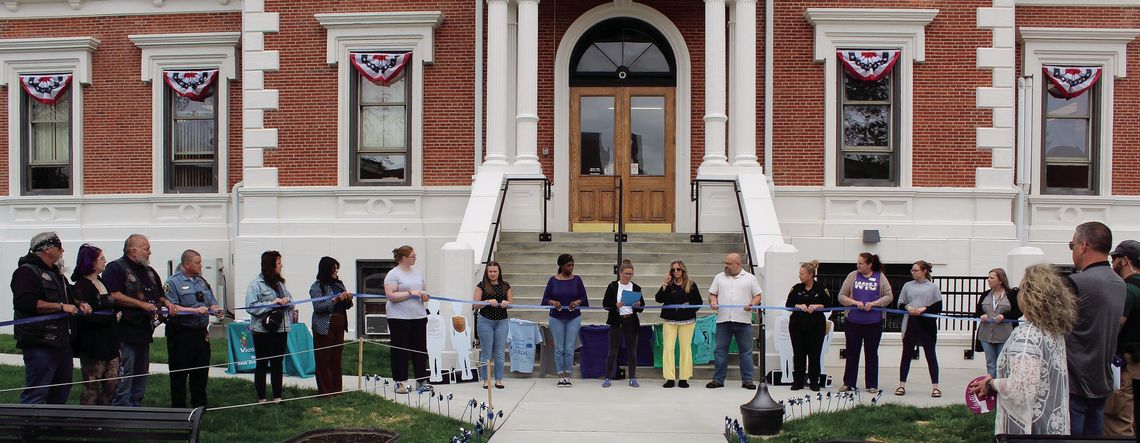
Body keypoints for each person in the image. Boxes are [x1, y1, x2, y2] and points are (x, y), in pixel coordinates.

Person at [970, 264, 1077, 435]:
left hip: (1027, 427)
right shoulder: (1052, 331)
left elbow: (1021, 388)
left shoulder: (1027, 335)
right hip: (1049, 425)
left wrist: (991, 384)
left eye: (1020, 290)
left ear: (1030, 296)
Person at [11, 232, 89, 404]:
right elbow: (26, 303)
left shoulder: (57, 274)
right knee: (37, 391)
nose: (62, 250)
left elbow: (70, 297)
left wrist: (80, 303)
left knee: (61, 390)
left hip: (62, 342)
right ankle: (30, 428)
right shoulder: (26, 272)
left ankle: (53, 427)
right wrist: (61, 307)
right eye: (59, 246)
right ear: (46, 249)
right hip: (40, 342)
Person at [1065, 221, 1127, 436]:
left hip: (1074, 380)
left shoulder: (1076, 282)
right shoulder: (1120, 284)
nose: (1073, 251)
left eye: (1072, 245)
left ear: (1084, 245)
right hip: (1102, 378)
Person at [105, 233, 165, 407]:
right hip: (125, 330)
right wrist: (141, 304)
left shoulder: (149, 272)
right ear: (133, 250)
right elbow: (114, 295)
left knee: (141, 372)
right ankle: (120, 408)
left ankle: (136, 405)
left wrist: (168, 303)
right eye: (146, 249)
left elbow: (160, 295)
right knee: (125, 371)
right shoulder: (115, 268)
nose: (149, 252)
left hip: (144, 331)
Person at [164, 249, 222, 408]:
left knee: (201, 372)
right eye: (197, 263)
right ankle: (179, 409)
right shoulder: (173, 283)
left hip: (200, 334)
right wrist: (194, 311)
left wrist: (215, 308)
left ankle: (199, 407)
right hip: (181, 334)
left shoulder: (202, 281)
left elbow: (211, 301)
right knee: (179, 373)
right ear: (186, 264)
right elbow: (172, 307)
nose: (200, 265)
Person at [837, 252, 893, 394]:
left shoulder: (880, 277)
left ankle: (872, 384)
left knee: (871, 354)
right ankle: (848, 383)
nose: (858, 266)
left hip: (874, 323)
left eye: (861, 263)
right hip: (853, 322)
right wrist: (854, 302)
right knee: (852, 353)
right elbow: (841, 296)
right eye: (858, 263)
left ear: (869, 265)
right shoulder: (852, 276)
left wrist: (875, 303)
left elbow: (889, 296)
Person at [71, 244, 119, 405]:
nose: (105, 261)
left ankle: (104, 415)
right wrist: (111, 318)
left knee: (112, 383)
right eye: (101, 258)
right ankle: (88, 419)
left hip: (110, 340)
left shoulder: (103, 282)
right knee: (92, 384)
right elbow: (86, 316)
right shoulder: (81, 286)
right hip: (93, 343)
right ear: (91, 262)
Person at [706, 252, 762, 390]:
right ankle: (718, 380)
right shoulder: (719, 277)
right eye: (725, 263)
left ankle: (748, 380)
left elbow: (758, 295)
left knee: (746, 352)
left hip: (743, 320)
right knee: (720, 351)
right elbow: (713, 294)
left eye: (729, 264)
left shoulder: (750, 278)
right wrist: (713, 302)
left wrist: (752, 305)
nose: (726, 266)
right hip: (723, 320)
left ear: (738, 264)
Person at [246, 250, 294, 403]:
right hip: (262, 331)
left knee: (277, 363)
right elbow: (250, 307)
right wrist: (271, 304)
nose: (282, 266)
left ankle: (277, 397)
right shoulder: (255, 284)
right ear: (271, 265)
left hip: (280, 329)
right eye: (279, 263)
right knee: (262, 363)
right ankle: (261, 398)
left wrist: (287, 301)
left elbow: (291, 300)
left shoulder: (280, 283)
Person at [384, 245, 431, 394]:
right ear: (404, 258)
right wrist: (410, 293)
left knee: (420, 349)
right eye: (412, 256)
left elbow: (423, 289)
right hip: (399, 318)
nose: (415, 258)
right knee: (400, 350)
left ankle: (421, 380)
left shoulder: (417, 272)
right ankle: (400, 382)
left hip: (418, 316)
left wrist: (423, 295)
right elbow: (390, 295)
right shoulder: (393, 274)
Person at [1106, 240, 1140, 436]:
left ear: (1125, 260)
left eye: (1114, 259)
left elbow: (1116, 326)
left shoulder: (1127, 289)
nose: (1112, 264)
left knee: (1118, 423)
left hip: (1126, 364)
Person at [895, 260, 943, 398]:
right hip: (911, 322)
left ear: (924, 271)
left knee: (931, 355)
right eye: (912, 270)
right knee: (906, 355)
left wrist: (924, 308)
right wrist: (907, 307)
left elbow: (938, 307)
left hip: (927, 324)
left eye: (915, 270)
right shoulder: (907, 286)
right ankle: (902, 385)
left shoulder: (933, 287)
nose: (913, 272)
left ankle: (935, 387)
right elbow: (899, 303)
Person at [541, 253, 589, 387]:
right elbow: (544, 300)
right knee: (559, 348)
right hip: (556, 318)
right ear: (561, 266)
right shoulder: (553, 280)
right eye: (568, 265)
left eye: (573, 265)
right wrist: (553, 302)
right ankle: (560, 375)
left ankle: (568, 375)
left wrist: (577, 302)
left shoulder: (577, 280)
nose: (571, 268)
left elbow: (584, 298)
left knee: (569, 348)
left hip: (574, 317)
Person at [655, 259, 702, 388]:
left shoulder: (691, 285)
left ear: (683, 270)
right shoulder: (668, 285)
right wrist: (664, 284)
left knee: (685, 349)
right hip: (670, 321)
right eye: (673, 269)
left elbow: (698, 303)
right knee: (668, 348)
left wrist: (685, 308)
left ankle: (683, 378)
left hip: (687, 321)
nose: (676, 272)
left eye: (678, 269)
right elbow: (658, 299)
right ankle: (669, 378)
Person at [310, 256, 353, 395]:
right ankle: (325, 391)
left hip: (339, 324)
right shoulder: (317, 287)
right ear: (327, 269)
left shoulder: (339, 284)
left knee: (336, 357)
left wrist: (348, 299)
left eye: (337, 268)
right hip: (324, 326)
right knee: (324, 358)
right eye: (334, 268)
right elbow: (318, 308)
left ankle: (336, 389)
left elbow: (347, 306)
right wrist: (335, 300)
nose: (336, 271)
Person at [785, 260, 831, 392]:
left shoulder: (821, 288)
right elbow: (788, 305)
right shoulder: (796, 288)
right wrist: (797, 305)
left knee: (814, 355)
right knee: (798, 354)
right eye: (800, 274)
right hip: (797, 326)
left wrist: (818, 306)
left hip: (816, 327)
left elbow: (828, 305)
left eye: (802, 274)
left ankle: (814, 382)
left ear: (811, 275)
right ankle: (798, 381)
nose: (800, 276)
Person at [602, 259, 645, 388]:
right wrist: (615, 305)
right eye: (626, 274)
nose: (628, 276)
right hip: (617, 321)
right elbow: (605, 304)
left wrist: (638, 304)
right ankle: (608, 377)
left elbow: (642, 307)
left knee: (632, 351)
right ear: (620, 273)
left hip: (631, 320)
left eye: (630, 274)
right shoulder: (613, 286)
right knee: (613, 351)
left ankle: (632, 377)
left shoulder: (636, 287)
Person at [975, 268, 1022, 379]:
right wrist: (982, 315)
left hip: (1005, 335)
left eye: (992, 278)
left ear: (1000, 280)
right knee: (990, 363)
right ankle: (991, 388)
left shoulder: (1011, 294)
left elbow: (1019, 311)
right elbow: (977, 311)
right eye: (988, 277)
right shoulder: (985, 294)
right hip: (986, 334)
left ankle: (1001, 386)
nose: (988, 280)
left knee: (1002, 363)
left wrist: (1005, 316)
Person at [473, 261, 512, 389]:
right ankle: (486, 379)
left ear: (499, 272)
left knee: (500, 352)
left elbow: (511, 303)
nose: (493, 274)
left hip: (502, 321)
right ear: (486, 272)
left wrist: (507, 303)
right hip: (485, 321)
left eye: (495, 271)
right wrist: (487, 301)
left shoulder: (506, 286)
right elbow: (475, 305)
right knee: (486, 352)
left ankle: (499, 379)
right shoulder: (481, 286)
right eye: (490, 271)